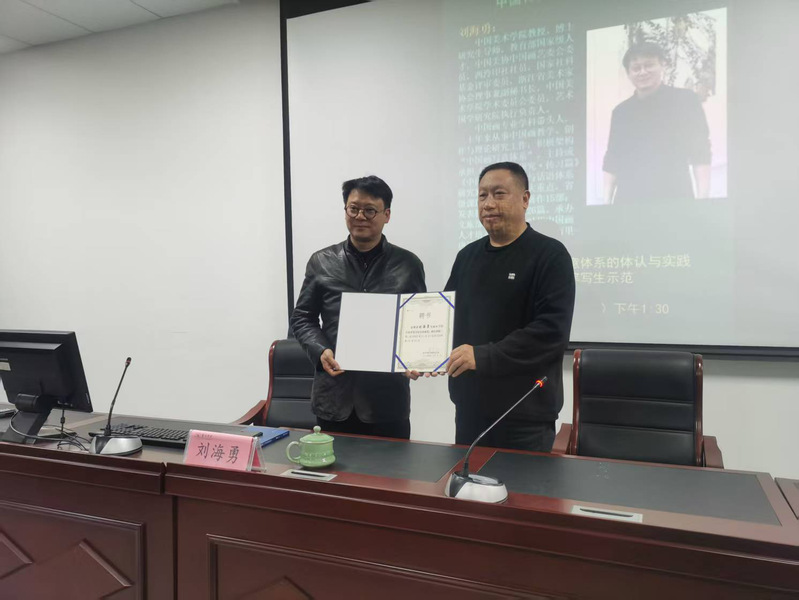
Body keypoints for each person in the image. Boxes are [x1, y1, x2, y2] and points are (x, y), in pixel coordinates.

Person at [443, 162, 575, 452]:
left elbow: (550, 333)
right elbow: (446, 318)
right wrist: (419, 356)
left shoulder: (550, 255)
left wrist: (482, 355)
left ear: (525, 199)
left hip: (524, 415)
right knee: (467, 482)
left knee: (523, 484)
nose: (488, 204)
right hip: (469, 410)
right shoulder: (466, 257)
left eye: (499, 194)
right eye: (482, 195)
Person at [290, 175, 426, 439]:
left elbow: (418, 321)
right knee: (332, 465)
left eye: (370, 210)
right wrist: (320, 350)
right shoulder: (321, 261)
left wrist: (417, 357)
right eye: (353, 209)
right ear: (345, 211)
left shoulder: (408, 265)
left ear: (387, 215)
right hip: (334, 397)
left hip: (387, 402)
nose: (360, 216)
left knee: (393, 467)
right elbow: (302, 318)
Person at [602, 41, 712, 204]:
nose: (643, 72)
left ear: (663, 65)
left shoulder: (685, 100)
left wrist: (703, 201)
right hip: (627, 203)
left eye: (649, 65)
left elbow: (700, 152)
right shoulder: (620, 112)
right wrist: (606, 204)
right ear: (628, 73)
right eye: (636, 68)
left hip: (674, 199)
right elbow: (612, 159)